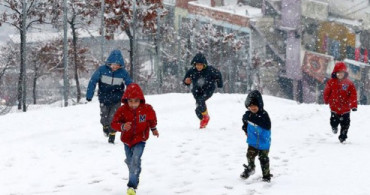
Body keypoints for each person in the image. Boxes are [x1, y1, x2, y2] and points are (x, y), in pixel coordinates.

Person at [111, 83, 159, 195]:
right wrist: (122, 126)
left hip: (140, 139)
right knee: (130, 161)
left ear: (141, 100)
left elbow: (152, 119)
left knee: (135, 160)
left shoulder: (147, 109)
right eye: (130, 101)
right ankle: (135, 173)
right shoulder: (122, 110)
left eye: (136, 101)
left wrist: (154, 129)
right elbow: (114, 123)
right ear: (126, 100)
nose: (133, 104)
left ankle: (131, 186)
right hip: (127, 140)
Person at [86, 49, 132, 144]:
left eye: (118, 65)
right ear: (109, 63)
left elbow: (130, 84)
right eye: (113, 65)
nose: (115, 67)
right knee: (104, 116)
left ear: (121, 65)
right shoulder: (102, 70)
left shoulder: (123, 72)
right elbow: (93, 81)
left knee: (114, 117)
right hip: (104, 97)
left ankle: (112, 135)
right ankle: (105, 126)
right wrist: (89, 95)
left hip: (117, 98)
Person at [183, 52, 223, 128]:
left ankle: (206, 118)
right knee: (198, 110)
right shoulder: (192, 71)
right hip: (197, 91)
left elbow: (218, 74)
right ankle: (203, 120)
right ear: (194, 64)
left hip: (208, 89)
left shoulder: (210, 70)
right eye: (197, 64)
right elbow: (185, 80)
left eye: (200, 64)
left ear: (204, 64)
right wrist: (186, 81)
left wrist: (219, 84)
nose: (199, 66)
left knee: (201, 101)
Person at [241, 90, 272, 182]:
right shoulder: (248, 115)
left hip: (263, 141)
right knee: (249, 155)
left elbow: (267, 125)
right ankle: (250, 168)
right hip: (252, 141)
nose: (253, 108)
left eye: (255, 106)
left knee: (263, 159)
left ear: (260, 105)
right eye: (250, 106)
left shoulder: (263, 115)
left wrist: (252, 118)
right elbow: (245, 123)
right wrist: (245, 128)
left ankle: (266, 175)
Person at [323, 61, 357, 143]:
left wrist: (353, 105)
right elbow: (327, 92)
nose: (340, 74)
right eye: (338, 73)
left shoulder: (349, 83)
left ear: (345, 73)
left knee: (345, 124)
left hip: (346, 109)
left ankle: (343, 136)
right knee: (333, 121)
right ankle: (334, 127)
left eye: (342, 73)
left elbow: (353, 95)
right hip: (334, 108)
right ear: (335, 73)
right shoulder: (331, 82)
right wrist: (326, 100)